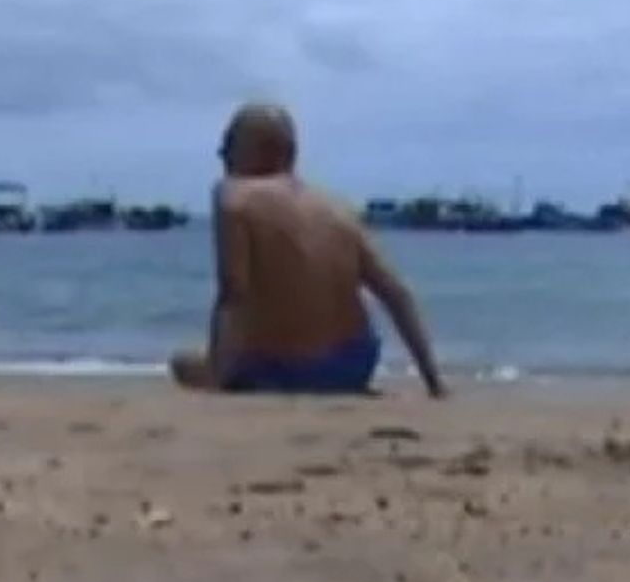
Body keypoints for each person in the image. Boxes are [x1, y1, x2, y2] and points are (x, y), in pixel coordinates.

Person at [171, 102, 446, 397]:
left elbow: (233, 293)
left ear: (258, 149)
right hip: (352, 366)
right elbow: (395, 293)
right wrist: (434, 382)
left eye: (229, 144)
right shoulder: (338, 208)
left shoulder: (233, 195)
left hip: (276, 368)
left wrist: (219, 372)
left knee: (182, 364)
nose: (221, 154)